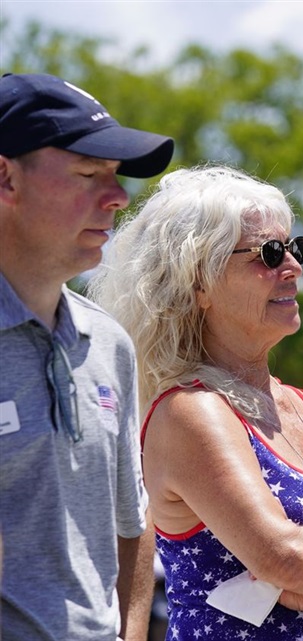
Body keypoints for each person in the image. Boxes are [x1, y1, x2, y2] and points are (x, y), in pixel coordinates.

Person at [87, 166, 303, 640]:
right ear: (199, 284)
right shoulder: (192, 411)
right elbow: (284, 557)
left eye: (296, 248)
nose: (293, 266)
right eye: (269, 254)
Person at [0, 72, 174, 641]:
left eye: (116, 175)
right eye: (86, 173)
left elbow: (132, 518)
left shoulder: (110, 343)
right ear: (5, 176)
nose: (118, 195)